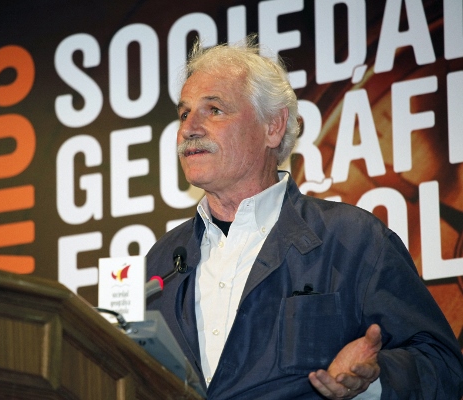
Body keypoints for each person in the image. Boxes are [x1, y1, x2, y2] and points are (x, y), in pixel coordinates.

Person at [145, 35, 463, 399]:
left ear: (273, 126)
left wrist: (371, 382)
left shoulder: (354, 239)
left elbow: (442, 366)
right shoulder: (161, 262)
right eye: (184, 113)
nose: (188, 129)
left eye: (214, 110)